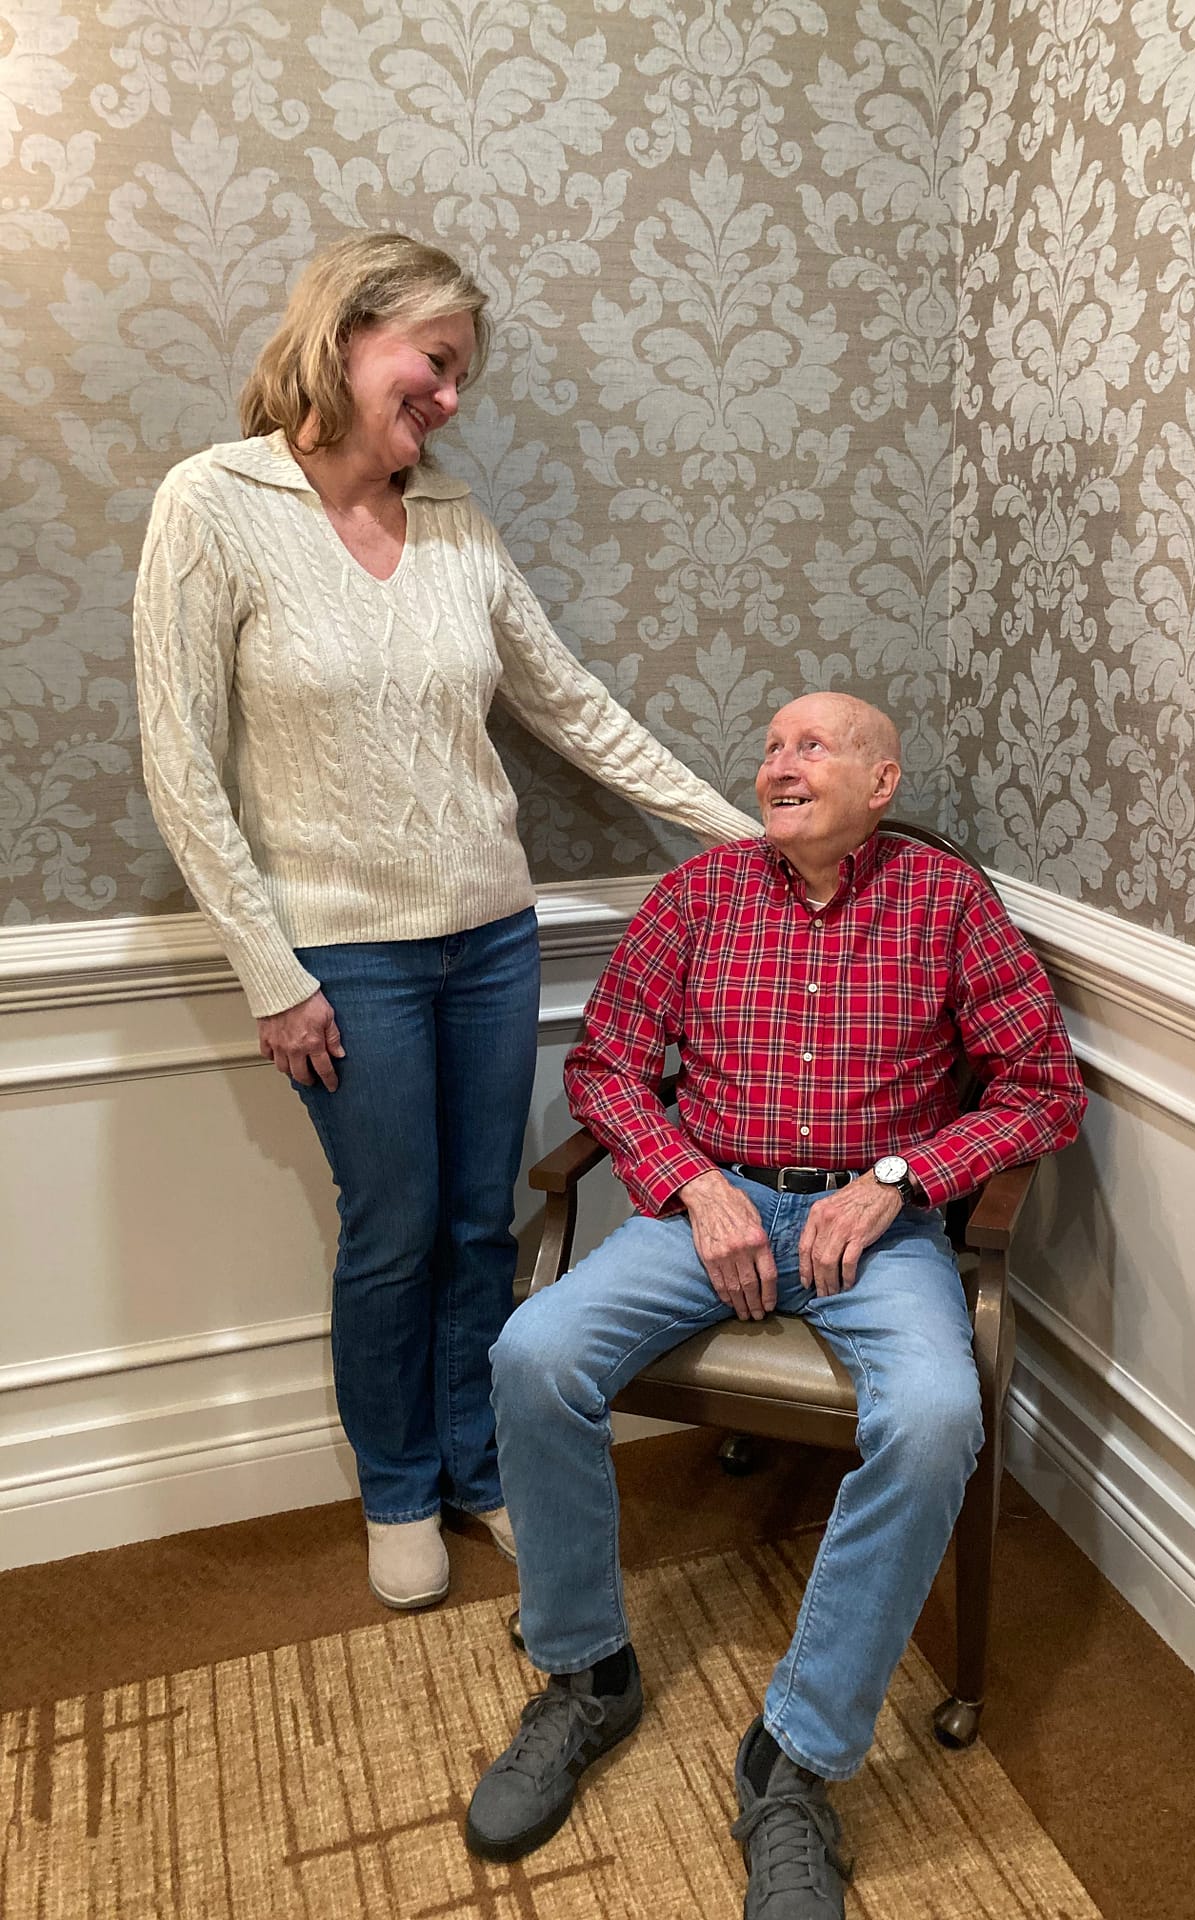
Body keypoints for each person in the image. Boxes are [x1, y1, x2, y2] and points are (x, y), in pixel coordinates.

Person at [131, 232, 756, 1615]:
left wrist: (751, 839)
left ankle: (482, 1467)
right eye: (437, 361)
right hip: (338, 954)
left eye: (465, 373)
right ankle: (400, 1486)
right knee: (395, 1227)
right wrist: (269, 970)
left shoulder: (459, 523)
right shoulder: (214, 503)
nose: (452, 397)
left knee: (484, 1222)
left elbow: (572, 707)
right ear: (348, 333)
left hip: (488, 932)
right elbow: (180, 760)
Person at [465, 693, 1086, 1915]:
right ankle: (587, 1675)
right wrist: (693, 1184)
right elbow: (604, 1068)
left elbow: (1042, 1089)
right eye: (771, 748)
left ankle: (793, 1757)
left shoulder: (946, 904)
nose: (780, 765)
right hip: (715, 1204)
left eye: (815, 746)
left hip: (881, 1231)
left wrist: (901, 1180)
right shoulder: (697, 897)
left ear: (881, 781)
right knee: (534, 1351)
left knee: (929, 1423)